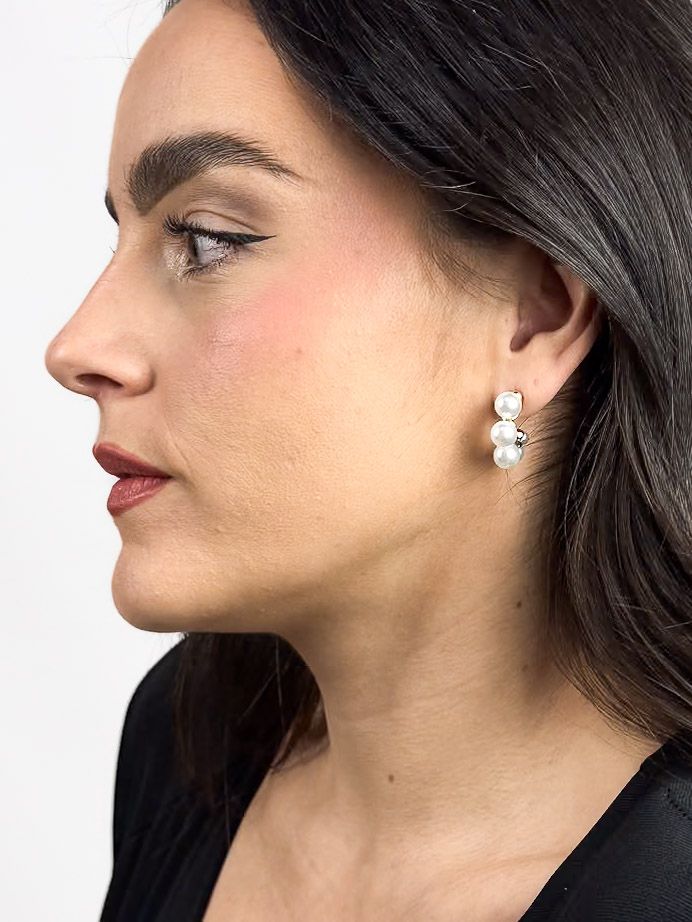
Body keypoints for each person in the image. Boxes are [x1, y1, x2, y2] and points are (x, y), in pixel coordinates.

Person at [44, 0, 692, 919]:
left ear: (532, 316)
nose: (77, 347)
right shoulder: (191, 746)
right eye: (124, 237)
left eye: (208, 238)